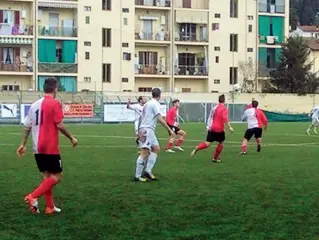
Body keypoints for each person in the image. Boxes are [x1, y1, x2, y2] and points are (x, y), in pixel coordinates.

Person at [16, 77, 78, 214]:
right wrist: (71, 137)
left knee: (47, 176)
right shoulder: (55, 103)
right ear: (55, 88)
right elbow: (60, 124)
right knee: (56, 177)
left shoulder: (34, 105)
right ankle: (32, 196)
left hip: (37, 147)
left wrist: (23, 144)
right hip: (49, 146)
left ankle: (50, 207)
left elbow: (27, 126)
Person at [134, 88, 175, 182]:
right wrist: (169, 130)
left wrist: (139, 132)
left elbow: (141, 118)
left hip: (145, 130)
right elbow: (159, 118)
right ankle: (137, 176)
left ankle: (148, 171)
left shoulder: (147, 104)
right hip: (147, 130)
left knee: (156, 149)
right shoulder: (155, 104)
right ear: (159, 95)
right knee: (144, 152)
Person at [191, 94, 234, 163]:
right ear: (224, 100)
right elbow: (225, 118)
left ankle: (197, 147)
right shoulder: (224, 108)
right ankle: (215, 158)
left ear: (218, 100)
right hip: (219, 129)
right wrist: (229, 127)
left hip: (212, 128)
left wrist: (208, 126)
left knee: (207, 143)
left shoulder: (215, 108)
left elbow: (210, 117)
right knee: (221, 143)